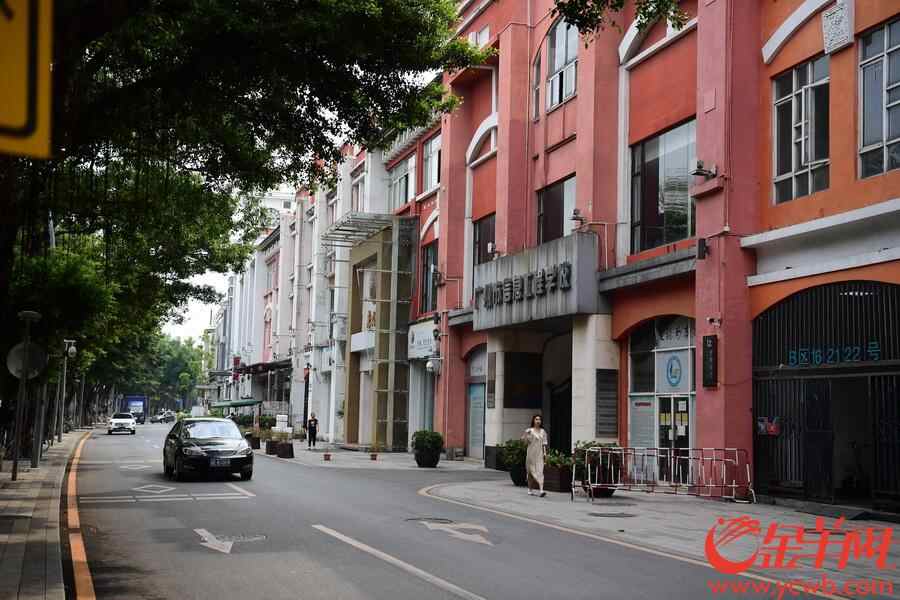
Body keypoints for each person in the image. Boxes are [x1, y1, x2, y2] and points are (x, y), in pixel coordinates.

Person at [521, 414, 548, 497]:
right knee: (530, 473)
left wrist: (545, 453)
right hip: (530, 455)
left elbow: (544, 444)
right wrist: (526, 433)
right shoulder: (530, 431)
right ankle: (530, 489)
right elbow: (524, 441)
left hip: (539, 454)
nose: (538, 421)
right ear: (533, 420)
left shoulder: (543, 432)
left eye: (539, 419)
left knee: (540, 472)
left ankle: (541, 490)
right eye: (536, 419)